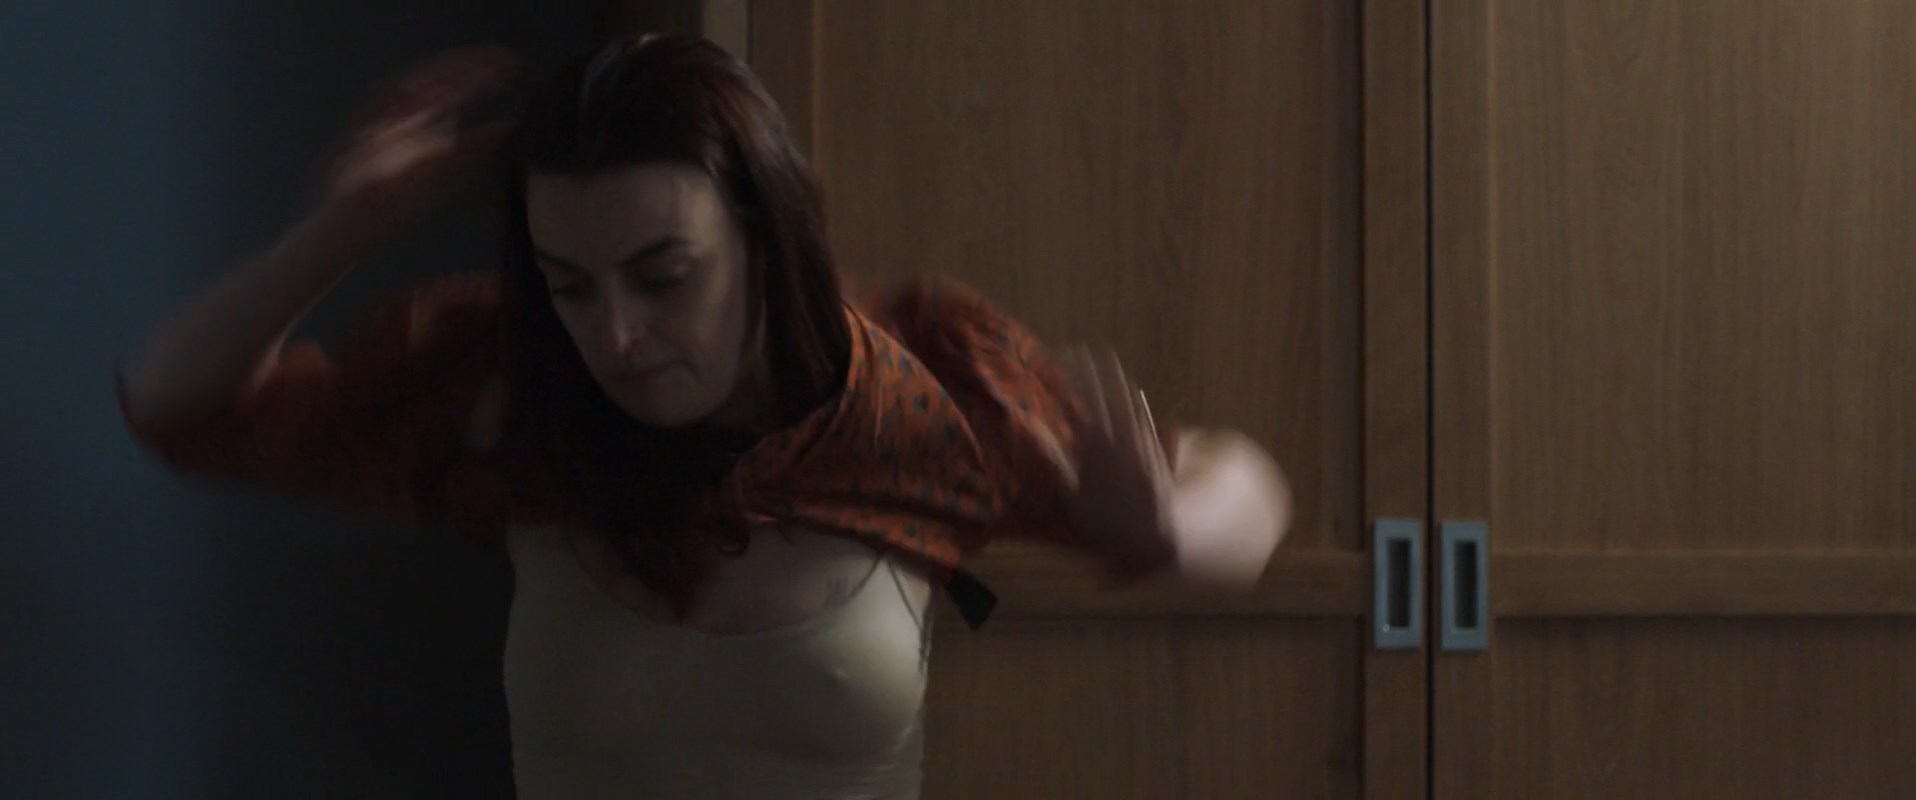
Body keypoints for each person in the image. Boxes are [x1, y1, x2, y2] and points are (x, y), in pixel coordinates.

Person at [117, 34, 1291, 799]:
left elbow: (1247, 489)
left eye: (662, 275)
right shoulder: (516, 397)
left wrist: (1169, 530)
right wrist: (337, 232)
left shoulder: (913, 402)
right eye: (571, 285)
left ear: (763, 241)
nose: (616, 334)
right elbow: (180, 406)